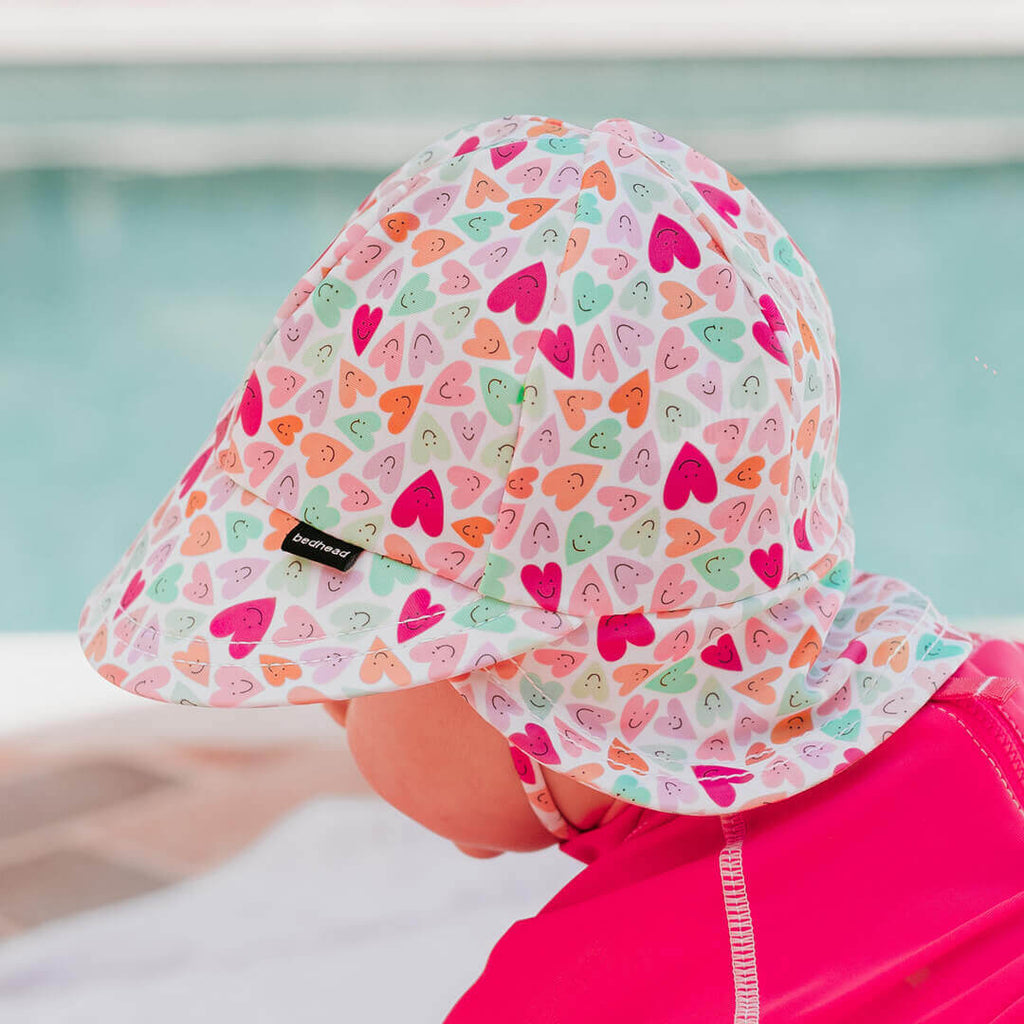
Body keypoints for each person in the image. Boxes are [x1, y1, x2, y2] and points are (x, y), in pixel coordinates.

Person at [77, 113, 1024, 1021]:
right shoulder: (998, 722)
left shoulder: (588, 995)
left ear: (542, 684)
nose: (324, 700)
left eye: (359, 666)